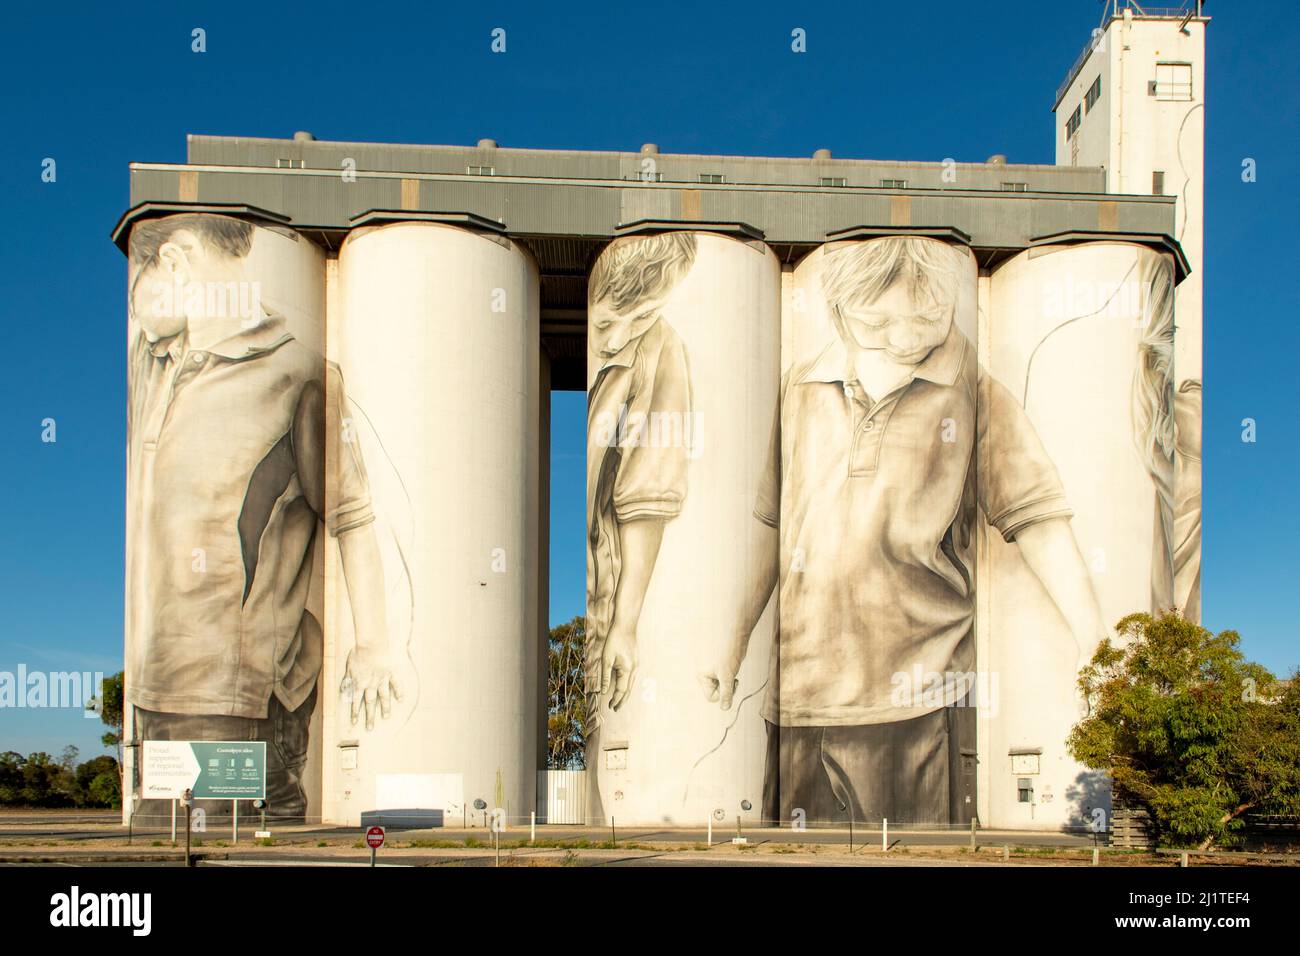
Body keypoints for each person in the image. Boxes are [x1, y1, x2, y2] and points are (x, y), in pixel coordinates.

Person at [702, 236, 1109, 826]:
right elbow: (774, 533)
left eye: (925, 315)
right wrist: (732, 642)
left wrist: (1097, 643)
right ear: (840, 310)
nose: (902, 336)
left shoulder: (969, 386)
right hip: (797, 702)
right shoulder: (798, 386)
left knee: (917, 860)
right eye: (877, 320)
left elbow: (1038, 516)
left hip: (916, 704)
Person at [125, 214, 399, 820]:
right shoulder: (162, 366)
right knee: (183, 845)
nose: (138, 323)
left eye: (137, 292)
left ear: (174, 261)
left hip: (231, 698)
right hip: (155, 690)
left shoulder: (296, 374)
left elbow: (352, 518)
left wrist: (373, 643)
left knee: (212, 849)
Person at [585, 232, 695, 816]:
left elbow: (645, 495)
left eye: (643, 316)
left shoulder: (661, 349)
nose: (620, 335)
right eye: (604, 323)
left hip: (604, 603)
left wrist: (624, 626)